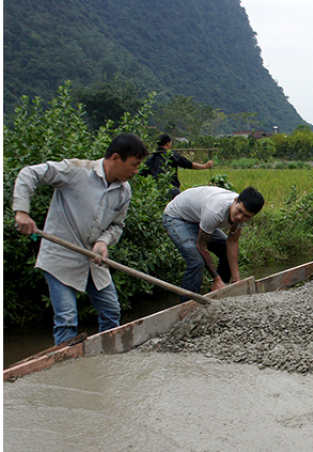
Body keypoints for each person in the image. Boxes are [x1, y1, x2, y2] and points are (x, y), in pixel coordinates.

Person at [13, 133, 149, 345]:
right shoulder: (75, 171)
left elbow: (117, 225)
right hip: (60, 258)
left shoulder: (124, 191)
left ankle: (108, 359)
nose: (135, 171)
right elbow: (28, 173)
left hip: (93, 260)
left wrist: (103, 241)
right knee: (66, 320)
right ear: (115, 158)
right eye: (133, 165)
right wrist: (22, 211)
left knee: (111, 311)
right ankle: (66, 370)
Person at [162, 185, 264, 301]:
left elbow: (232, 242)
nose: (239, 217)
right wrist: (216, 278)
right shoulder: (215, 211)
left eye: (246, 216)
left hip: (198, 219)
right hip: (177, 218)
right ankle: (188, 307)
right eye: (239, 211)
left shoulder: (241, 214)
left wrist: (237, 279)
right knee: (196, 262)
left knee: (225, 250)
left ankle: (218, 294)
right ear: (235, 201)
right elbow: (201, 246)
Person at [141, 134, 213, 199]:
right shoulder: (172, 155)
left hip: (156, 192)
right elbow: (188, 164)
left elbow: (142, 173)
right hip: (172, 190)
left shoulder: (151, 159)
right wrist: (205, 166)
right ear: (168, 143)